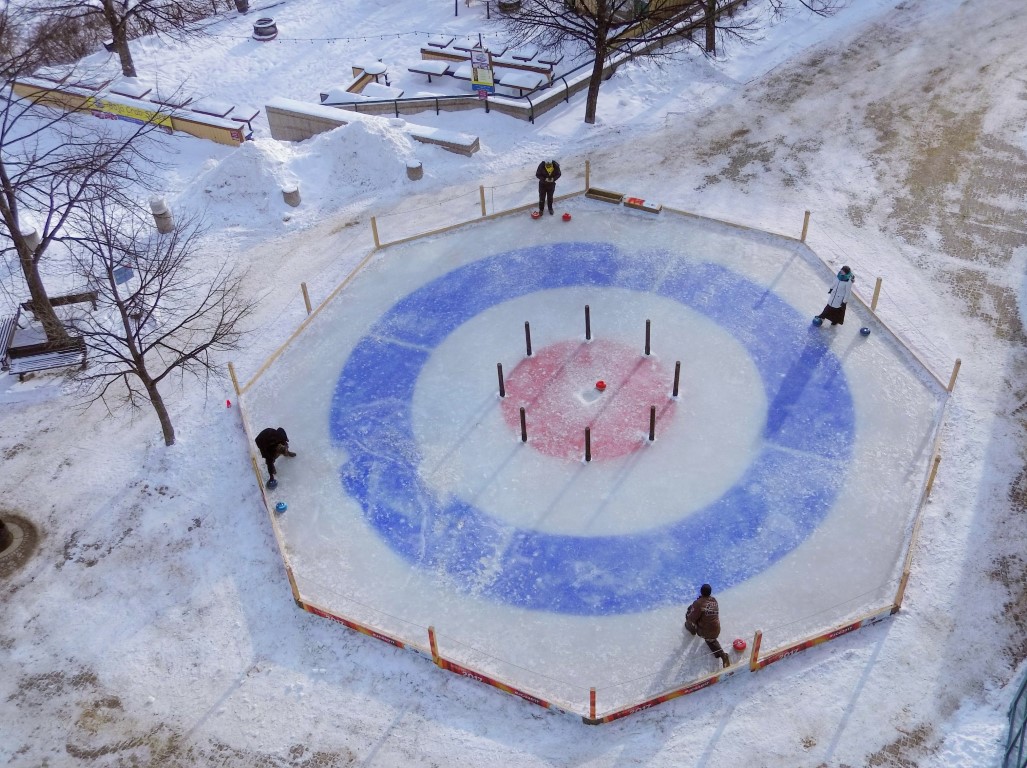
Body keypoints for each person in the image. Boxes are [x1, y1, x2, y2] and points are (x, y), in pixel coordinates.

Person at [685, 583, 731, 669]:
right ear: (710, 593)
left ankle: (692, 631)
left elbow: (691, 618)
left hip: (705, 632)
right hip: (717, 629)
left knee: (688, 615)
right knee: (710, 639)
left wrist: (693, 607)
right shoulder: (714, 600)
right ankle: (719, 654)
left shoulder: (698, 603)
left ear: (701, 592)